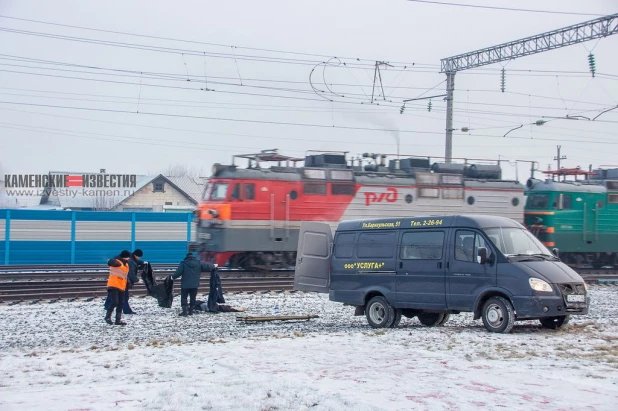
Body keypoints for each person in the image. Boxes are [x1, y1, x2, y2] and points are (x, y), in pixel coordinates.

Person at [170, 252, 215, 316]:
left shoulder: (183, 263)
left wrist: (172, 277)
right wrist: (214, 266)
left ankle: (185, 312)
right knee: (193, 298)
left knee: (184, 298)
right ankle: (191, 311)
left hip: (185, 285)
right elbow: (207, 267)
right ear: (193, 257)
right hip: (194, 285)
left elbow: (178, 272)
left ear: (187, 257)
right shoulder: (198, 263)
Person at [103, 248, 141, 314]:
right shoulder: (120, 263)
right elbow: (129, 273)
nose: (128, 259)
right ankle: (125, 311)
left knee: (113, 296)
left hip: (118, 283)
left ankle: (107, 307)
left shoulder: (122, 262)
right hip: (118, 283)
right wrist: (136, 280)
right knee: (123, 298)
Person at [105, 250, 131, 325]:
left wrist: (128, 282)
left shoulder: (126, 264)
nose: (129, 258)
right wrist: (110, 261)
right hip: (114, 285)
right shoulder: (118, 262)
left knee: (121, 303)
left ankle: (118, 320)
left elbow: (124, 275)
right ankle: (107, 317)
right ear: (125, 257)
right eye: (128, 257)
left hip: (121, 286)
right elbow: (112, 262)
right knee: (115, 302)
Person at [123, 249, 143, 314]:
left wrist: (142, 262)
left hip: (121, 280)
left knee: (115, 294)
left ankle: (107, 306)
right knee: (125, 296)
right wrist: (137, 280)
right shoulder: (131, 261)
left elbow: (136, 262)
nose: (139, 258)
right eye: (139, 256)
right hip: (124, 280)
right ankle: (126, 310)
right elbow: (131, 274)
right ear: (135, 255)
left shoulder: (131, 258)